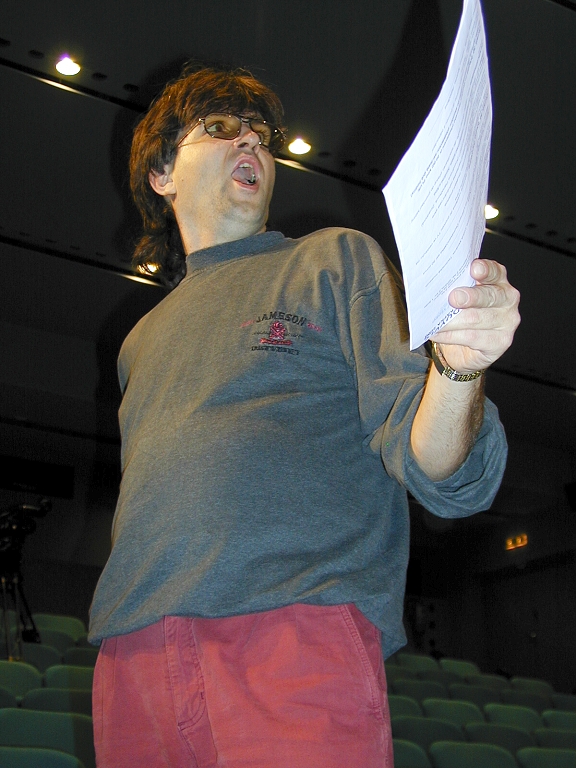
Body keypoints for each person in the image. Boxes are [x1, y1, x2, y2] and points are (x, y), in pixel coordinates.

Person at [89, 63, 520, 767]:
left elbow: (440, 467)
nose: (250, 143)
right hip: (132, 653)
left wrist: (459, 368)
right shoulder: (137, 341)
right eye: (221, 128)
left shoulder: (334, 260)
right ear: (162, 173)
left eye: (261, 135)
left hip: (294, 632)